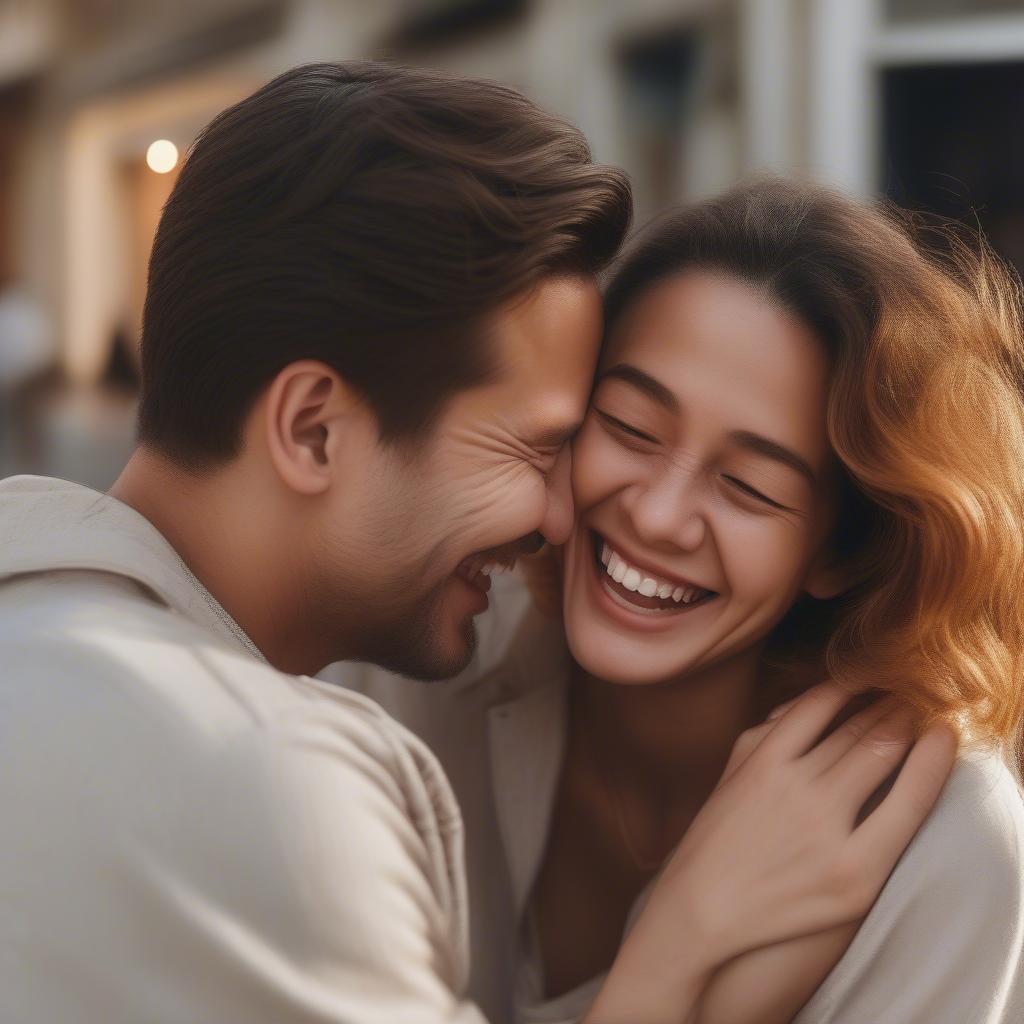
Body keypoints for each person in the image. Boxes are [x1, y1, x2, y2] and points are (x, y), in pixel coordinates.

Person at [0, 65, 954, 1023]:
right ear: (313, 430)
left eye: (750, 485)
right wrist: (679, 953)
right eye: (549, 443)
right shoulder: (274, 785)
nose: (559, 513)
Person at [334, 177, 1024, 1023]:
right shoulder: (428, 648)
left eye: (748, 486)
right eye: (628, 427)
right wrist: (680, 945)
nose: (657, 516)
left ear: (844, 551)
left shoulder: (944, 852)